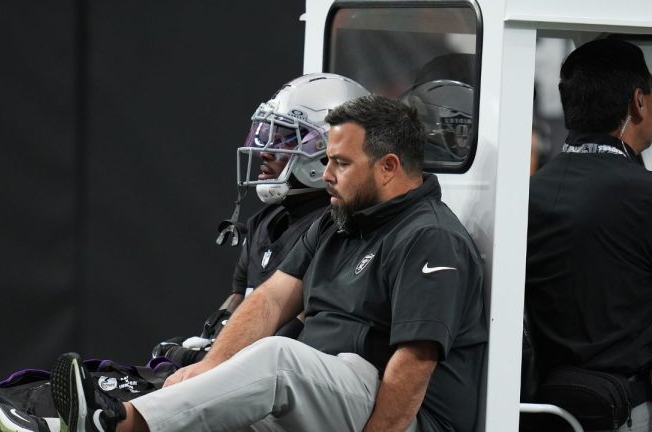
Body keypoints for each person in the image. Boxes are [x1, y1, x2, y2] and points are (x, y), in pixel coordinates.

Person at [0, 73, 370, 432]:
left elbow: (289, 331)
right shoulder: (271, 219)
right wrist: (205, 340)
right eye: (266, 133)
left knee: (84, 398)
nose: (266, 148)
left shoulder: (336, 227)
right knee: (63, 383)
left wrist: (209, 364)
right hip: (218, 365)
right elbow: (239, 303)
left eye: (285, 138)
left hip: (244, 384)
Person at [43, 94, 488, 432]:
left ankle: (119, 424)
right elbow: (271, 299)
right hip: (327, 396)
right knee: (217, 396)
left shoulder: (431, 238)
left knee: (279, 358)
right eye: (328, 160)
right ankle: (55, 423)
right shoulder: (340, 218)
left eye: (341, 163)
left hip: (404, 416)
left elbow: (413, 366)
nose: (327, 174)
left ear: (388, 167)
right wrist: (205, 371)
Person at [526, 38, 652, 430]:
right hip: (624, 409)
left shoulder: (529, 192)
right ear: (638, 102)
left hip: (535, 407)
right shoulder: (644, 196)